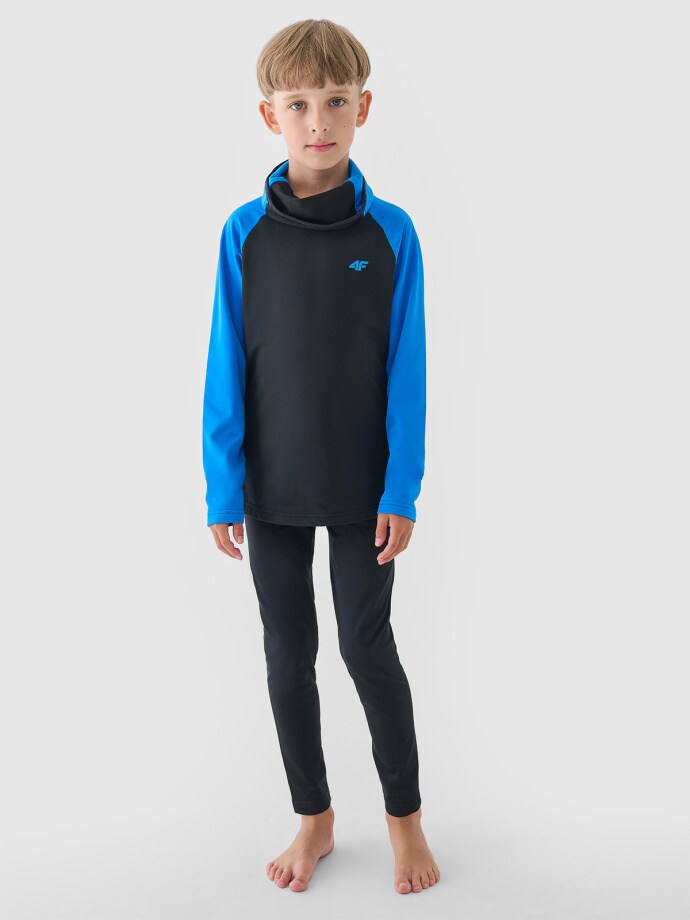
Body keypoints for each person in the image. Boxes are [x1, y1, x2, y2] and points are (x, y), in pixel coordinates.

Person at [201, 18, 440, 895]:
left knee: (367, 649)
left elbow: (408, 372)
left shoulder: (392, 234)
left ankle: (405, 819)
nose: (318, 121)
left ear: (362, 108)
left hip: (363, 486)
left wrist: (401, 487)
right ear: (271, 116)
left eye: (335, 101)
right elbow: (226, 365)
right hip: (270, 485)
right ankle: (315, 818)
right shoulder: (243, 234)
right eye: (298, 104)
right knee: (287, 653)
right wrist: (223, 487)